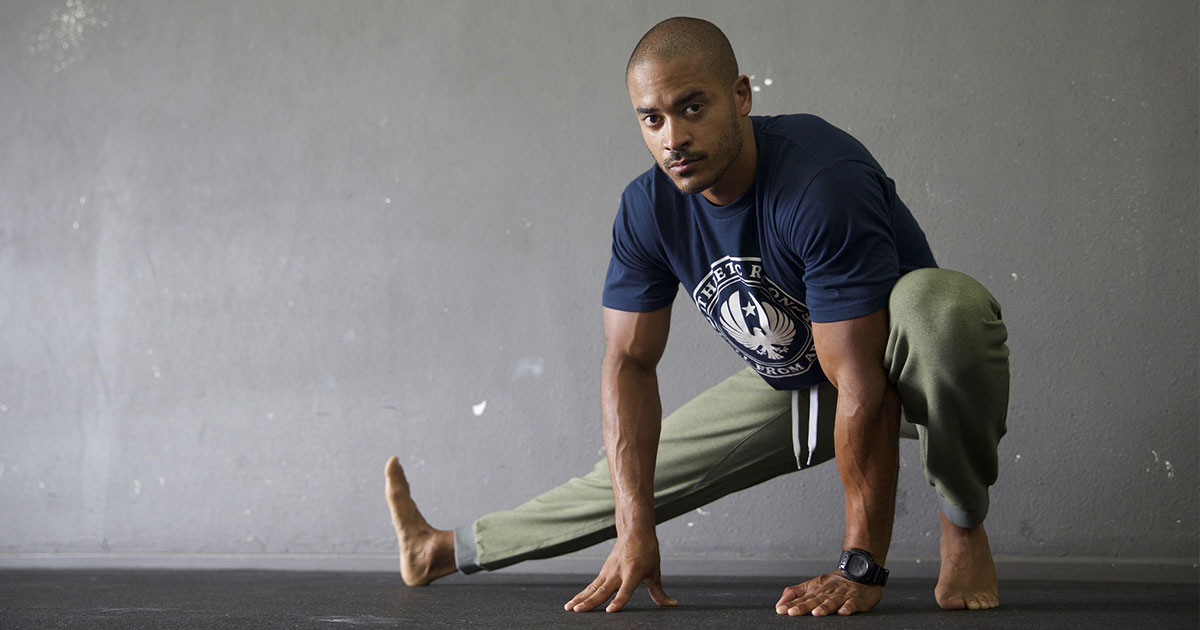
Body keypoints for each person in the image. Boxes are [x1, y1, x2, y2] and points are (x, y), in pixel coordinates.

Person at [384, 16, 1009, 617]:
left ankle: (962, 526)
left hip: (904, 368)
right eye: (651, 118)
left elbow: (865, 385)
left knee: (940, 308)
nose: (672, 138)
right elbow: (628, 362)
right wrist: (635, 529)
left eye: (691, 107)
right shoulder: (648, 208)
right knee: (630, 479)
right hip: (802, 378)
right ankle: (437, 551)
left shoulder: (821, 181)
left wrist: (860, 565)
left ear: (740, 95)